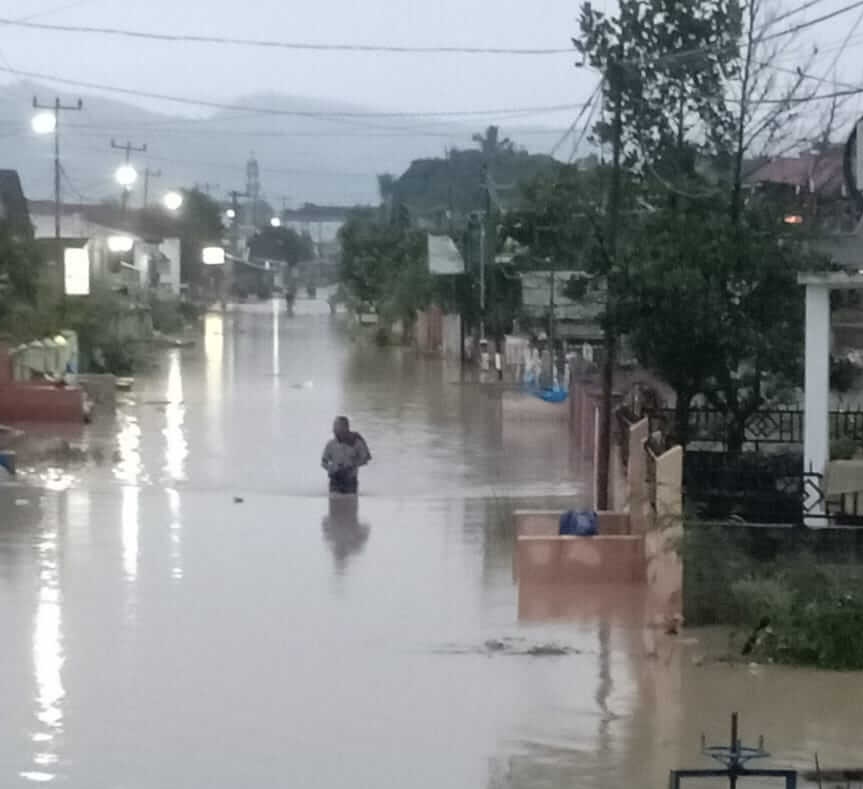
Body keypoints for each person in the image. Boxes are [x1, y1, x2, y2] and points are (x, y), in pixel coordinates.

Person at [321, 416, 372, 494]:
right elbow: (323, 462)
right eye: (334, 427)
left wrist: (352, 465)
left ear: (346, 428)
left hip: (350, 481)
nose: (334, 430)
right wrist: (331, 468)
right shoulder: (331, 444)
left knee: (350, 503)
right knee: (334, 502)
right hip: (335, 481)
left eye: (337, 427)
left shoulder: (356, 443)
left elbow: (365, 459)